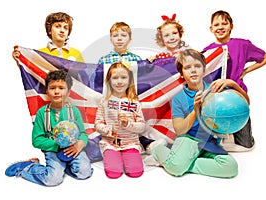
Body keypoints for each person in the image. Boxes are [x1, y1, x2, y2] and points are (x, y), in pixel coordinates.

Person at [145, 49, 245, 178]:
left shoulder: (216, 89)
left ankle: (181, 162)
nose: (193, 70)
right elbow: (180, 130)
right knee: (176, 169)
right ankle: (157, 148)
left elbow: (245, 103)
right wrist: (195, 110)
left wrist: (233, 84)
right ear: (182, 74)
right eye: (187, 67)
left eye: (197, 66)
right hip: (189, 138)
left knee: (231, 168)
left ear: (204, 70)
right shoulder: (178, 98)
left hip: (210, 141)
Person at [5, 69, 93, 186]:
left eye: (61, 88)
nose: (57, 91)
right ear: (47, 91)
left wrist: (80, 144)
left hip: (73, 148)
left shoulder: (74, 111)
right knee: (53, 179)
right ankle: (28, 167)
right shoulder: (42, 113)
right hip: (53, 149)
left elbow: (82, 133)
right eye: (52, 88)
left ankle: (65, 166)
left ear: (68, 92)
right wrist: (56, 146)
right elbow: (37, 140)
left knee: (84, 173)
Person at [202, 10, 266, 152]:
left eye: (224, 24)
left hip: (236, 95)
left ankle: (234, 136)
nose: (220, 27)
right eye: (216, 25)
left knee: (247, 145)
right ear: (211, 29)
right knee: (210, 136)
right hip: (215, 97)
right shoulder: (208, 51)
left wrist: (246, 70)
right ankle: (223, 136)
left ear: (231, 26)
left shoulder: (242, 45)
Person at [97, 21, 167, 154]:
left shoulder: (136, 59)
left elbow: (145, 77)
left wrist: (151, 62)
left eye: (123, 35)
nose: (119, 38)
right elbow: (97, 81)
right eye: (115, 35)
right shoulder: (103, 60)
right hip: (110, 102)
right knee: (111, 122)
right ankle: (109, 143)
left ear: (130, 39)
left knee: (134, 124)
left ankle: (143, 144)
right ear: (110, 38)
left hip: (130, 101)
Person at [94, 62, 145, 179]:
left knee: (135, 172)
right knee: (114, 173)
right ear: (109, 81)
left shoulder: (134, 103)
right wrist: (110, 129)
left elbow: (142, 126)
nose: (119, 82)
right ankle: (115, 157)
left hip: (131, 143)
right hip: (110, 144)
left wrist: (128, 124)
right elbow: (98, 124)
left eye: (123, 77)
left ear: (130, 80)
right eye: (115, 78)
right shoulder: (104, 102)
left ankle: (127, 157)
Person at [12, 12, 84, 67]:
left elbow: (85, 78)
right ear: (49, 30)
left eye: (65, 28)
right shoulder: (41, 53)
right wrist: (19, 61)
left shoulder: (76, 53)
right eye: (57, 26)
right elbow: (32, 74)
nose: (62, 30)